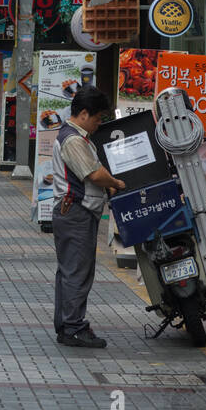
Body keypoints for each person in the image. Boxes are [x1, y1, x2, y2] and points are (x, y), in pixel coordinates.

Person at [51, 85, 124, 349]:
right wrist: (116, 181)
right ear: (84, 114)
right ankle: (73, 327)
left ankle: (68, 324)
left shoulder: (77, 136)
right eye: (97, 118)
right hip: (76, 212)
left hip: (77, 211)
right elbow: (93, 174)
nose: (98, 123)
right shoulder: (73, 139)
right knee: (76, 272)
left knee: (71, 271)